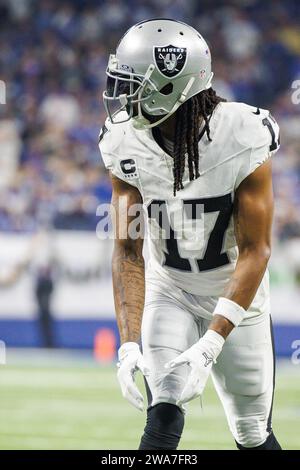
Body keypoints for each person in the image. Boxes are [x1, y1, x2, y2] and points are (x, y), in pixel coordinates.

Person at [99, 18, 281, 450]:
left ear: (169, 87)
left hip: (236, 292)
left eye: (134, 84)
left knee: (252, 433)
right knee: (161, 414)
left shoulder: (242, 134)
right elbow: (127, 249)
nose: (121, 96)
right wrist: (126, 345)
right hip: (171, 288)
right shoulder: (123, 143)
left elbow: (257, 250)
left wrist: (212, 342)